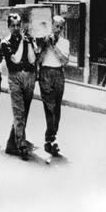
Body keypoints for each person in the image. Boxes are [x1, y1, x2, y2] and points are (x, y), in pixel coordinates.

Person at [1, 14, 38, 161]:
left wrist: (28, 42)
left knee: (24, 111)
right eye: (13, 26)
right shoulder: (5, 43)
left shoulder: (28, 40)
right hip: (15, 77)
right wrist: (23, 41)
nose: (16, 28)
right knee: (19, 112)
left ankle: (12, 143)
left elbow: (32, 59)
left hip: (29, 76)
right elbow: (15, 59)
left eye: (18, 25)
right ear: (9, 27)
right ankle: (21, 146)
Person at [37, 15, 69, 160]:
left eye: (61, 27)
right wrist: (44, 46)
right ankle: (50, 138)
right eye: (56, 26)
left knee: (57, 107)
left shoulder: (64, 42)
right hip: (45, 73)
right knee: (49, 106)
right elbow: (38, 60)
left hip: (58, 74)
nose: (58, 29)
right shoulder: (43, 40)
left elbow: (64, 61)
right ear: (51, 26)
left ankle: (52, 136)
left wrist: (53, 47)